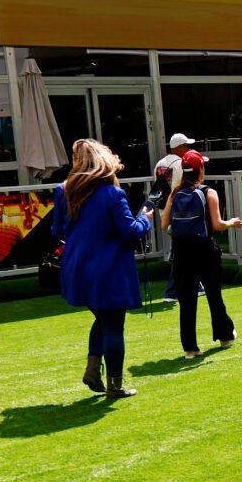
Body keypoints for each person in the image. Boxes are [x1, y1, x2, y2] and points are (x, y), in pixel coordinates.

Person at [52, 139, 153, 400]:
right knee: (113, 326)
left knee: (103, 319)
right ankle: (115, 385)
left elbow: (58, 230)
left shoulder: (63, 190)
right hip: (108, 269)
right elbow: (130, 231)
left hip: (77, 267)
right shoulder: (112, 194)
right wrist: (145, 219)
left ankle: (93, 369)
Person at [160, 149, 242, 358]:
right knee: (214, 295)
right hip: (205, 250)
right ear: (201, 170)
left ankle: (190, 348)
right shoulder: (209, 192)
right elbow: (217, 224)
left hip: (181, 252)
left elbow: (163, 225)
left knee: (187, 301)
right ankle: (224, 336)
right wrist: (231, 222)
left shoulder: (175, 193)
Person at [152, 132, 193, 304]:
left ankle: (193, 286)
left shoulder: (159, 164)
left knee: (184, 251)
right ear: (179, 147)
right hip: (180, 212)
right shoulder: (181, 164)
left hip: (165, 212)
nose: (188, 148)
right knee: (183, 252)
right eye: (186, 145)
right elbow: (183, 189)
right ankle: (172, 291)